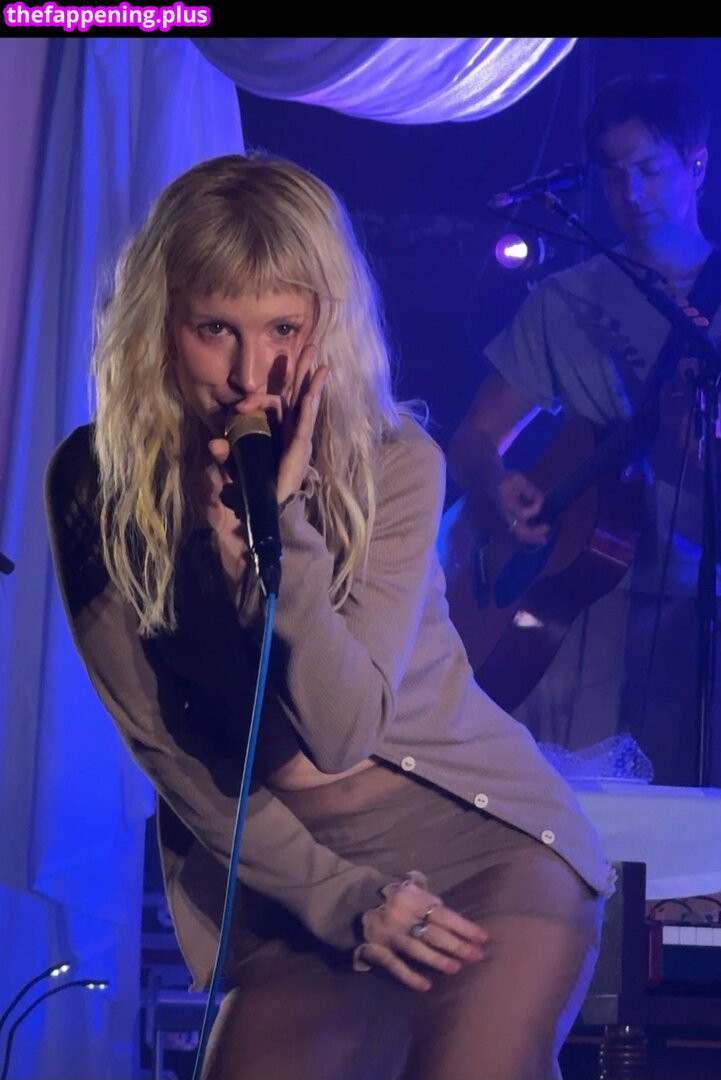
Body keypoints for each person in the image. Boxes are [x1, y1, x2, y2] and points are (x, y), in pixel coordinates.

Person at [45, 152, 614, 1080]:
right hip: (287, 881)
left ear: (326, 324)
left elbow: (343, 730)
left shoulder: (395, 461)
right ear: (161, 325)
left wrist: (280, 537)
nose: (250, 374)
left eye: (282, 328)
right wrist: (344, 901)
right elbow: (165, 745)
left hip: (478, 845)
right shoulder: (94, 483)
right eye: (213, 329)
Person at [446, 72, 721, 790]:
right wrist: (494, 485)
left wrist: (694, 449)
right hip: (572, 605)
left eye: (650, 169)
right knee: (565, 807)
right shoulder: (563, 300)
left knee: (680, 817)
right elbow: (473, 437)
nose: (631, 192)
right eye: (613, 173)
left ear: (696, 164)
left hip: (693, 602)